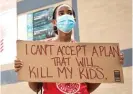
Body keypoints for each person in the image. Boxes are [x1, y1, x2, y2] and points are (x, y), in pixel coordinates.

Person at [14, 4, 124, 94]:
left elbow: (89, 88)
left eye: (69, 13)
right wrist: (26, 68)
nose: (66, 16)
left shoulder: (84, 52)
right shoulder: (42, 49)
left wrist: (109, 65)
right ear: (54, 22)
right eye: (61, 14)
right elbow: (36, 88)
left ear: (74, 20)